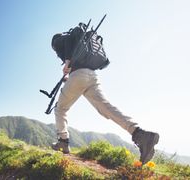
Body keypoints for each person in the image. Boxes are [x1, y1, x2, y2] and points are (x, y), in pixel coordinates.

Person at [49, 29, 160, 165]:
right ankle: (139, 133)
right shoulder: (80, 44)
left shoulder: (62, 39)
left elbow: (66, 42)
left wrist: (67, 63)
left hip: (78, 76)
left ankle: (63, 142)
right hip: (91, 75)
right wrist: (70, 75)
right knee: (105, 108)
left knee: (60, 109)